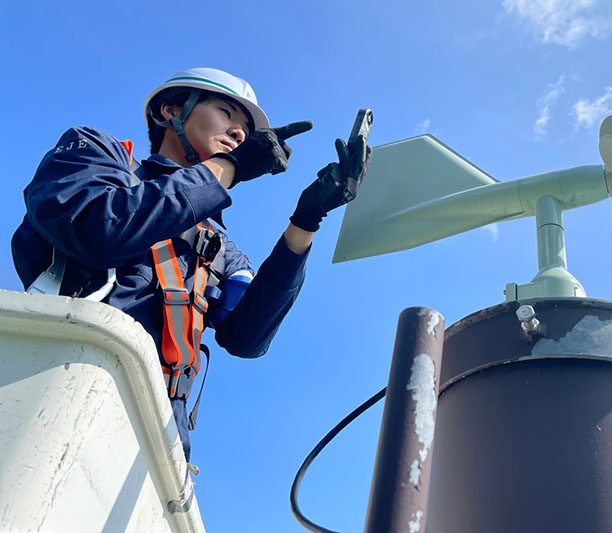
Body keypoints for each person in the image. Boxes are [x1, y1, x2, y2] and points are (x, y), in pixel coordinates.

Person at [11, 67, 372, 461]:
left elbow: (247, 337)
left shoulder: (219, 246)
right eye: (226, 113)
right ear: (170, 110)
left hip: (161, 436)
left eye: (246, 129)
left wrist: (305, 222)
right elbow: (99, 230)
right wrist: (228, 170)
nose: (239, 132)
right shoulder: (97, 154)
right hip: (61, 384)